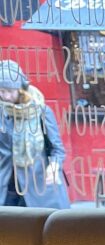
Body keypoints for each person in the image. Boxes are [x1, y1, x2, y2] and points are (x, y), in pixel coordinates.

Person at [0, 60, 69, 209]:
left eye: (9, 91)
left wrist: (54, 166)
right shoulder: (1, 113)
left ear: (21, 89)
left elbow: (57, 149)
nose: (4, 96)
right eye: (1, 91)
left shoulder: (41, 112)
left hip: (39, 187)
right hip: (7, 189)